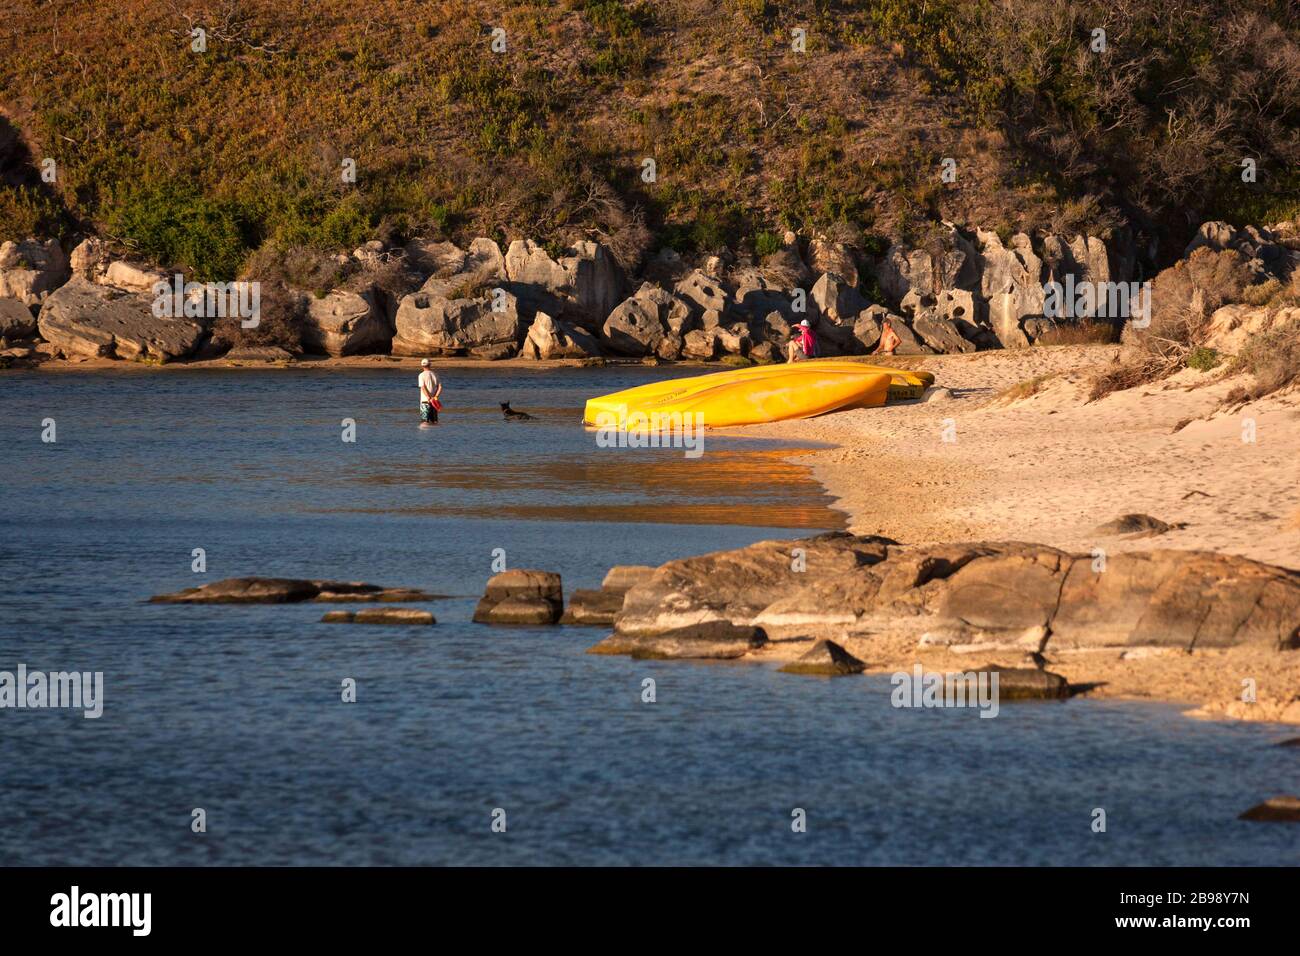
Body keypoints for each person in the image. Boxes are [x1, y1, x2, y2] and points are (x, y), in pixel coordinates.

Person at [418, 358, 442, 424]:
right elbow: (440, 387)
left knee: (424, 423)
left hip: (425, 401)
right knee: (435, 422)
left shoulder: (421, 375)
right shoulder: (435, 374)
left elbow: (423, 387)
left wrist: (428, 397)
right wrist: (436, 396)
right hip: (434, 401)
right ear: (430, 365)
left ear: (422, 366)